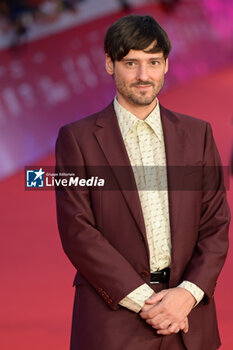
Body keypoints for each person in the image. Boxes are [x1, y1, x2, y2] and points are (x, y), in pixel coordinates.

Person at [55, 15, 230, 350]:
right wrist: (148, 304)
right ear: (110, 64)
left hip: (189, 320)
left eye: (153, 62)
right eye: (130, 63)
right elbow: (77, 231)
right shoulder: (76, 139)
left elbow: (216, 223)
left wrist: (187, 295)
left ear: (166, 65)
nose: (143, 76)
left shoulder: (197, 134)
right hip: (114, 320)